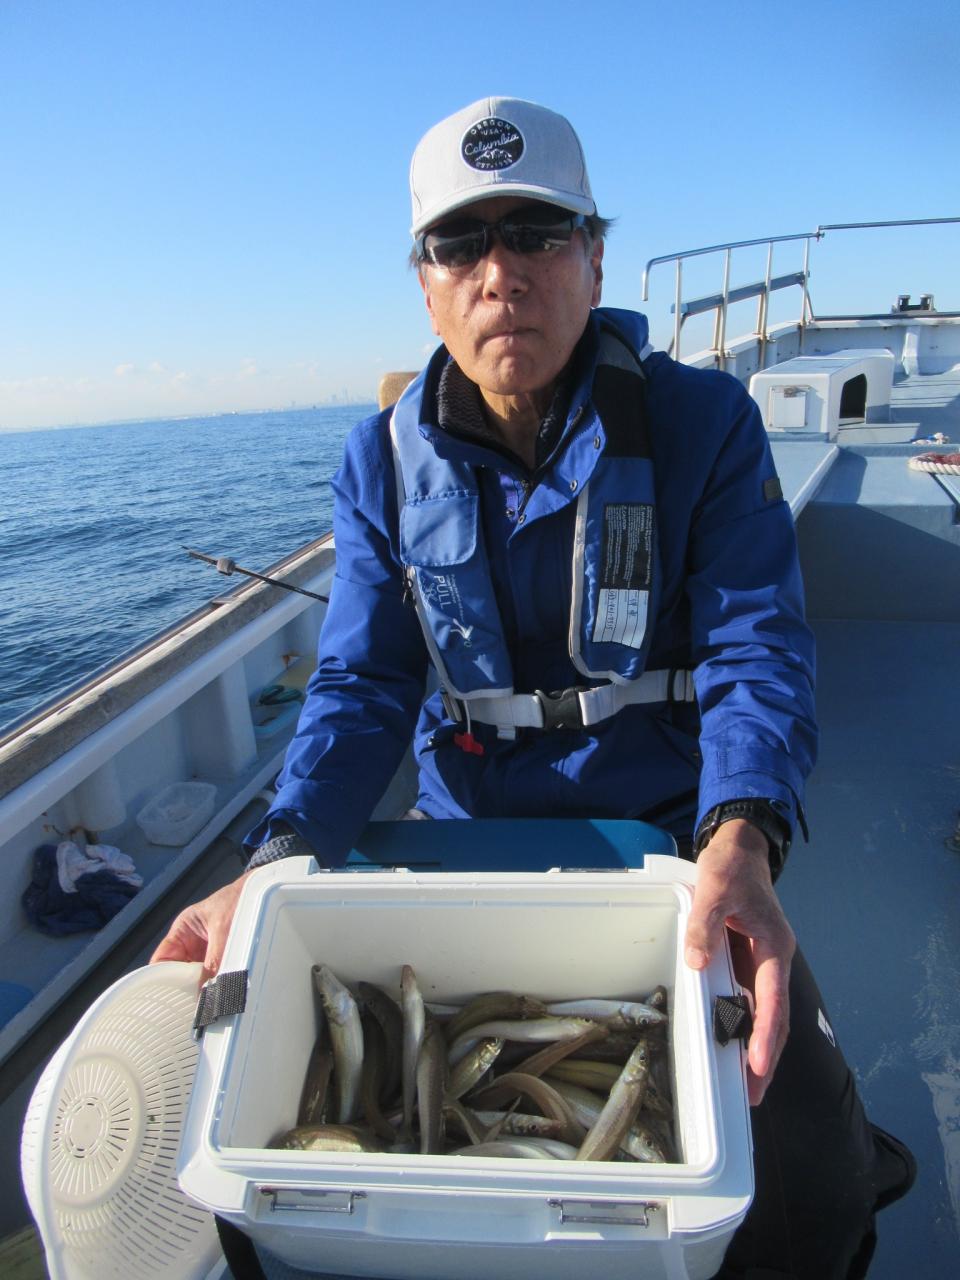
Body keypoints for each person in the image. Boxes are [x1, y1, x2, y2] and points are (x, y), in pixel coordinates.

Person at [153, 97, 913, 1277]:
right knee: (257, 1205)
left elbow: (755, 644)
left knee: (812, 1180)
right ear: (426, 284)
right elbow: (361, 682)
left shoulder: (703, 423)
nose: (499, 271)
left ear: (595, 257)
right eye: (460, 242)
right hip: (466, 845)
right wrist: (278, 858)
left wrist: (744, 833)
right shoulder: (377, 463)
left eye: (537, 232)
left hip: (672, 837)